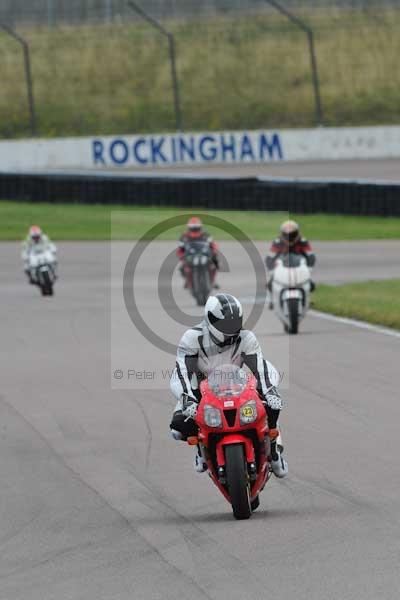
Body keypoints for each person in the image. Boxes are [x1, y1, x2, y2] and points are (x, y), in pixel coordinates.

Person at [169, 293, 288, 478]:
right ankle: (202, 450)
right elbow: (182, 371)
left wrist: (270, 390)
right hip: (201, 389)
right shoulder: (192, 338)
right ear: (210, 320)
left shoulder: (247, 337)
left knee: (270, 405)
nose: (232, 328)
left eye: (235, 322)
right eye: (226, 324)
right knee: (177, 429)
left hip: (238, 385)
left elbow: (261, 366)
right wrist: (187, 399)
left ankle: (273, 452)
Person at [266, 220, 316, 306]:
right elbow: (270, 257)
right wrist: (271, 269)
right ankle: (272, 300)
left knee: (310, 284)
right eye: (287, 234)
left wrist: (309, 268)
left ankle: (309, 298)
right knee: (270, 283)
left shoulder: (302, 241)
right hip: (282, 266)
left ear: (296, 233)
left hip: (299, 266)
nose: (289, 237)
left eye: (292, 234)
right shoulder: (278, 242)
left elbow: (310, 255)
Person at [177, 217, 219, 288]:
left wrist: (214, 251)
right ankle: (187, 281)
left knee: (214, 265)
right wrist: (182, 256)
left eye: (196, 228)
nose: (194, 230)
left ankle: (212, 281)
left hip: (204, 255)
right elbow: (180, 249)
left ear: (200, 227)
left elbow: (213, 245)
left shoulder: (206, 235)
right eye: (193, 228)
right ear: (189, 228)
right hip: (190, 256)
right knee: (182, 268)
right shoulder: (184, 237)